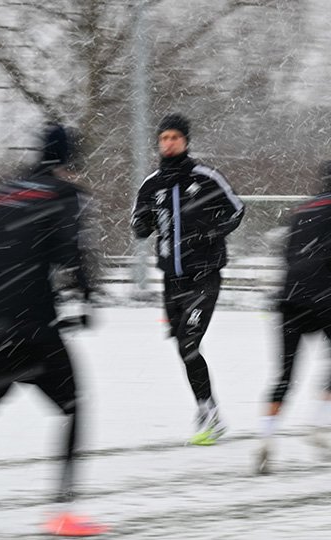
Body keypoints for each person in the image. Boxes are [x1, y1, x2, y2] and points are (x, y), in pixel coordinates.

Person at [0, 123, 107, 540]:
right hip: (34, 327)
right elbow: (72, 255)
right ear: (68, 159)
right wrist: (88, 299)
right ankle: (62, 512)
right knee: (74, 405)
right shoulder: (63, 195)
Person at [132, 114, 243, 445]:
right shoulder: (152, 184)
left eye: (174, 138)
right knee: (184, 348)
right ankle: (207, 408)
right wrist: (142, 223)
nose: (168, 143)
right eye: (164, 138)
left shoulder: (205, 177)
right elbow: (140, 225)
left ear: (186, 141)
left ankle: (208, 415)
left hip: (204, 276)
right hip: (172, 280)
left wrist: (210, 233)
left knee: (189, 342)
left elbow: (236, 210)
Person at [257, 160, 331, 475]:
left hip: (289, 296)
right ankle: (320, 426)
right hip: (327, 298)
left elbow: (287, 254)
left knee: (284, 375)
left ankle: (266, 440)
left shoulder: (302, 210)